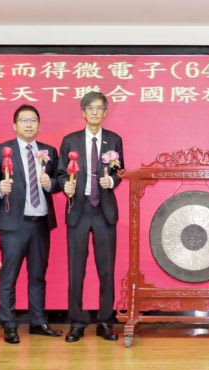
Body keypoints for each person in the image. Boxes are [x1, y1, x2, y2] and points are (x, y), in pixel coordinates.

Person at [0, 104, 62, 344]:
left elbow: (59, 182)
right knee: (9, 277)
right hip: (13, 225)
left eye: (33, 120)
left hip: (40, 224)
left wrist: (51, 184)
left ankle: (38, 322)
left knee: (38, 275)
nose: (29, 124)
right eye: (24, 120)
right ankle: (9, 325)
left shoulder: (49, 151)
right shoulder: (1, 150)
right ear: (14, 125)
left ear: (39, 125)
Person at [56, 92, 124, 343]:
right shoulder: (70, 141)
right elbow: (61, 173)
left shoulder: (114, 140)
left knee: (106, 270)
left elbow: (119, 171)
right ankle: (77, 323)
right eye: (90, 108)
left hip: (104, 212)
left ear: (105, 112)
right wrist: (65, 185)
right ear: (83, 112)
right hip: (79, 210)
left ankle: (105, 321)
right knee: (76, 270)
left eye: (100, 108)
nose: (95, 112)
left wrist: (112, 181)